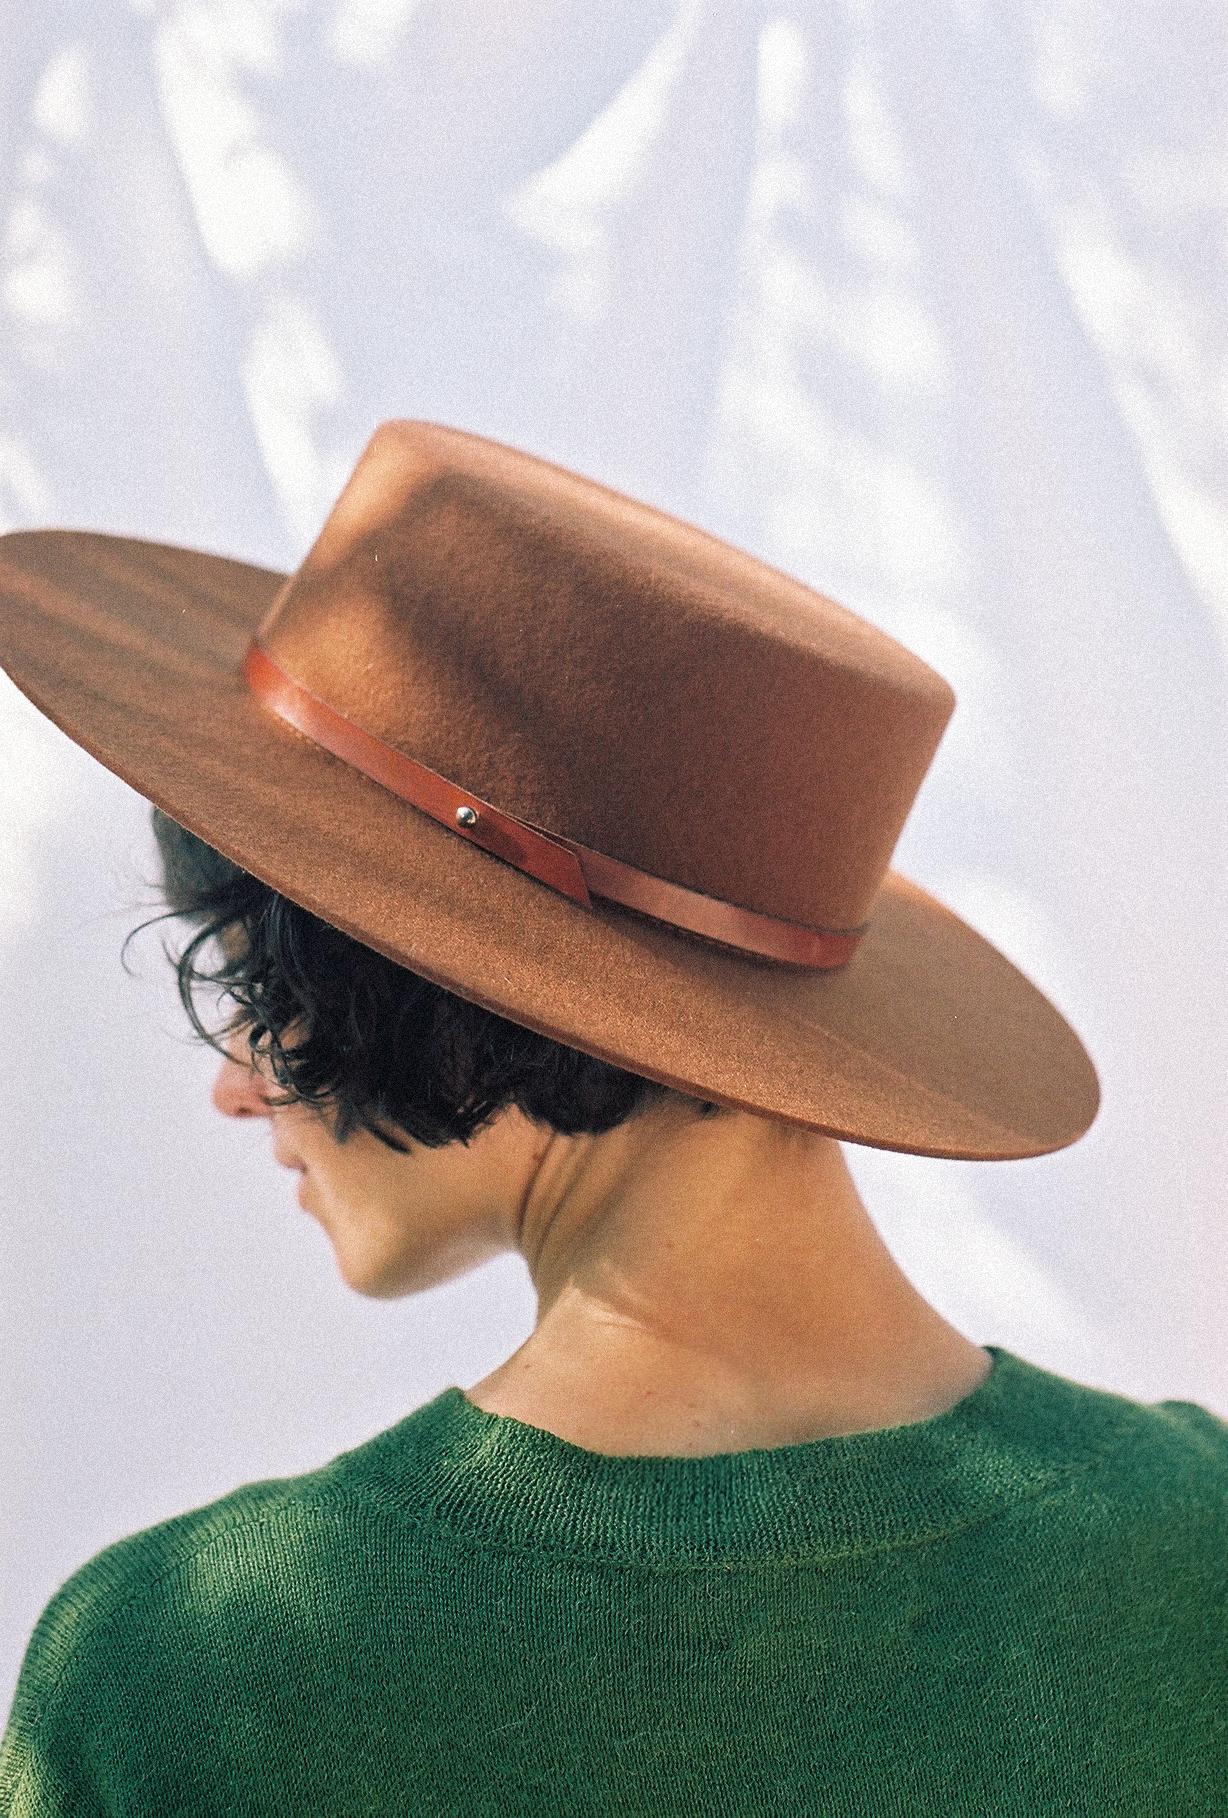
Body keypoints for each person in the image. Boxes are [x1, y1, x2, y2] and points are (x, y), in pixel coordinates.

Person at [0, 419, 1224, 1814]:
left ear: (415, 969)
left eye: (253, 977)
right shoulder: (1198, 1556)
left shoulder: (184, 1682)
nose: (233, 1082)